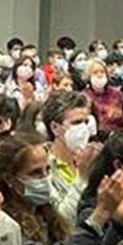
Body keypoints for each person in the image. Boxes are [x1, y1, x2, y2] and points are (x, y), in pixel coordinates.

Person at [41, 92, 96, 222]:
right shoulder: (42, 166)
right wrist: (82, 177)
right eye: (77, 122)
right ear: (55, 128)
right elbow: (62, 218)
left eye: (86, 122)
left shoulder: (92, 159)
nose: (84, 128)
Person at [82, 59, 123, 134]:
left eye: (102, 72)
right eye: (95, 72)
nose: (100, 75)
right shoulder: (84, 96)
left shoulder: (117, 93)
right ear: (89, 76)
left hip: (120, 133)